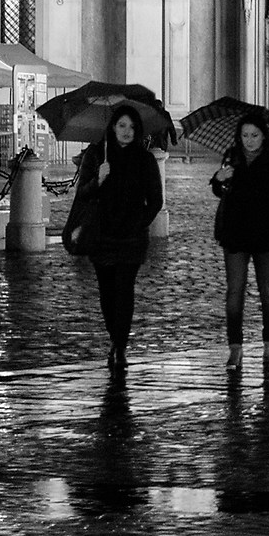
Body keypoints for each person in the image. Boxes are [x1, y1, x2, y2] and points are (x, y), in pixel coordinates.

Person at [72, 105, 163, 374]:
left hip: (131, 239)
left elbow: (155, 201)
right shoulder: (97, 155)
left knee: (124, 290)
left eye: (132, 127)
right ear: (113, 127)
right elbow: (83, 194)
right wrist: (98, 179)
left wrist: (138, 224)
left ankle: (120, 346)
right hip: (102, 235)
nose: (127, 132)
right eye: (122, 126)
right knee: (107, 292)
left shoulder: (144, 160)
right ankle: (115, 336)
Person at [211, 117, 269, 373]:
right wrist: (219, 179)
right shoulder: (231, 155)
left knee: (268, 290)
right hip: (235, 233)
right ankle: (235, 348)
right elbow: (221, 191)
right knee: (234, 291)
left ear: (264, 136)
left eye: (254, 135)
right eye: (245, 135)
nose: (249, 140)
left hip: (266, 235)